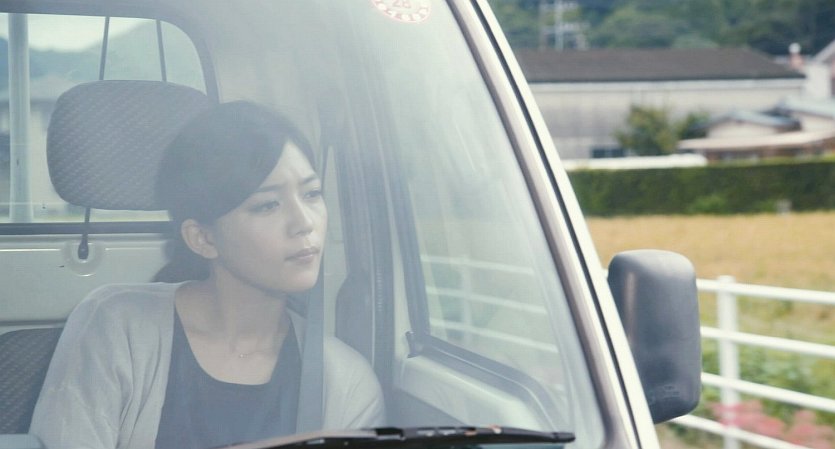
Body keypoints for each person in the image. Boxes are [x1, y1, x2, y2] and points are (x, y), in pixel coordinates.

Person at [30, 102, 385, 449]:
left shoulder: (346, 383)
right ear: (203, 238)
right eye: (267, 205)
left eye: (312, 193)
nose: (305, 222)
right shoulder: (116, 327)